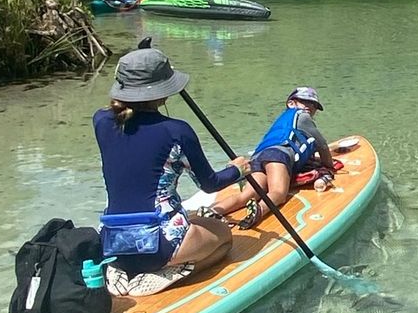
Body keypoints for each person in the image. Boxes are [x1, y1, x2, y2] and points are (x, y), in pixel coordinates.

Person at [94, 41, 251, 283]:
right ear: (163, 91)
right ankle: (172, 273)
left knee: (196, 220)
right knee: (224, 238)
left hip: (113, 244)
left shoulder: (101, 122)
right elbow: (209, 183)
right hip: (159, 246)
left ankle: (134, 270)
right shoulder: (178, 131)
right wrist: (237, 170)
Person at [203, 86, 335, 228]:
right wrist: (329, 166)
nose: (310, 106)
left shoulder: (283, 120)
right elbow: (322, 145)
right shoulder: (303, 117)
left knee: (249, 194)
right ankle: (258, 211)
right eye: (305, 102)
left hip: (258, 157)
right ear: (291, 103)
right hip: (278, 155)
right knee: (278, 193)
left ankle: (213, 211)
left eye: (314, 105)